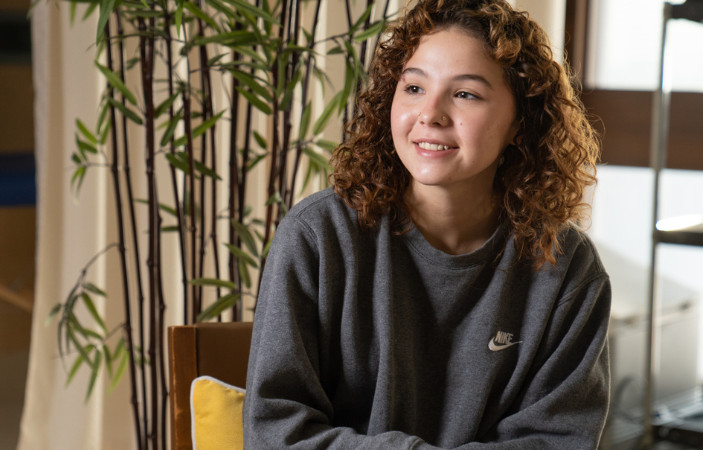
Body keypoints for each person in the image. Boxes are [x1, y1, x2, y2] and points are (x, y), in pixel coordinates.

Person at [243, 0, 610, 448]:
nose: (430, 114)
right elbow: (273, 433)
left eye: (465, 94)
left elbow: (560, 440)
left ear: (521, 120)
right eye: (414, 88)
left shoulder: (566, 268)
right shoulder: (318, 237)